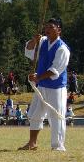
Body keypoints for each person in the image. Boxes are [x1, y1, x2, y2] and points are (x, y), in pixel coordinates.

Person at [20, 17, 71, 151]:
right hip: (41, 86)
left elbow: (55, 70)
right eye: (46, 27)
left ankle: (58, 146)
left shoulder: (63, 49)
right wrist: (34, 40)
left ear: (58, 30)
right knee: (35, 114)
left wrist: (38, 77)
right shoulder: (42, 41)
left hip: (56, 88)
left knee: (56, 116)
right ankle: (32, 143)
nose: (47, 30)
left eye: (51, 27)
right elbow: (29, 50)